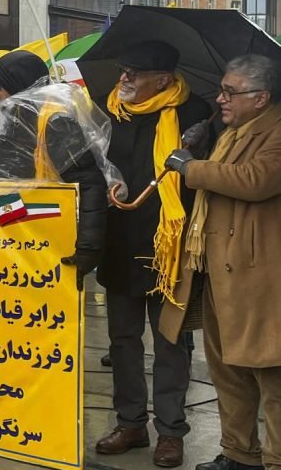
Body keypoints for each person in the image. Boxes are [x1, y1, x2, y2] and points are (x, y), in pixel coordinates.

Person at [159, 55, 281, 470]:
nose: (221, 98)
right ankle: (239, 454)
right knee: (228, 370)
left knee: (274, 375)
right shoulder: (232, 131)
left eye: (231, 91)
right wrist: (200, 143)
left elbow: (253, 181)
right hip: (220, 272)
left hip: (266, 278)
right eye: (222, 89)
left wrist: (190, 167)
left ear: (262, 97)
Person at [95, 41, 214, 468]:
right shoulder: (105, 112)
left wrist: (193, 153)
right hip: (119, 244)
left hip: (171, 250)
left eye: (135, 72)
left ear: (163, 80)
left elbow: (208, 182)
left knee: (170, 344)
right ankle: (130, 423)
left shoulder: (196, 114)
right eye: (124, 70)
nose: (124, 78)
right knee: (122, 342)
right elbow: (89, 166)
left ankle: (170, 431)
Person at [0, 50, 110, 288]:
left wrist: (88, 248)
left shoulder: (55, 123)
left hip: (45, 239)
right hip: (9, 235)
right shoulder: (9, 119)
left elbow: (89, 183)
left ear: (19, 85)